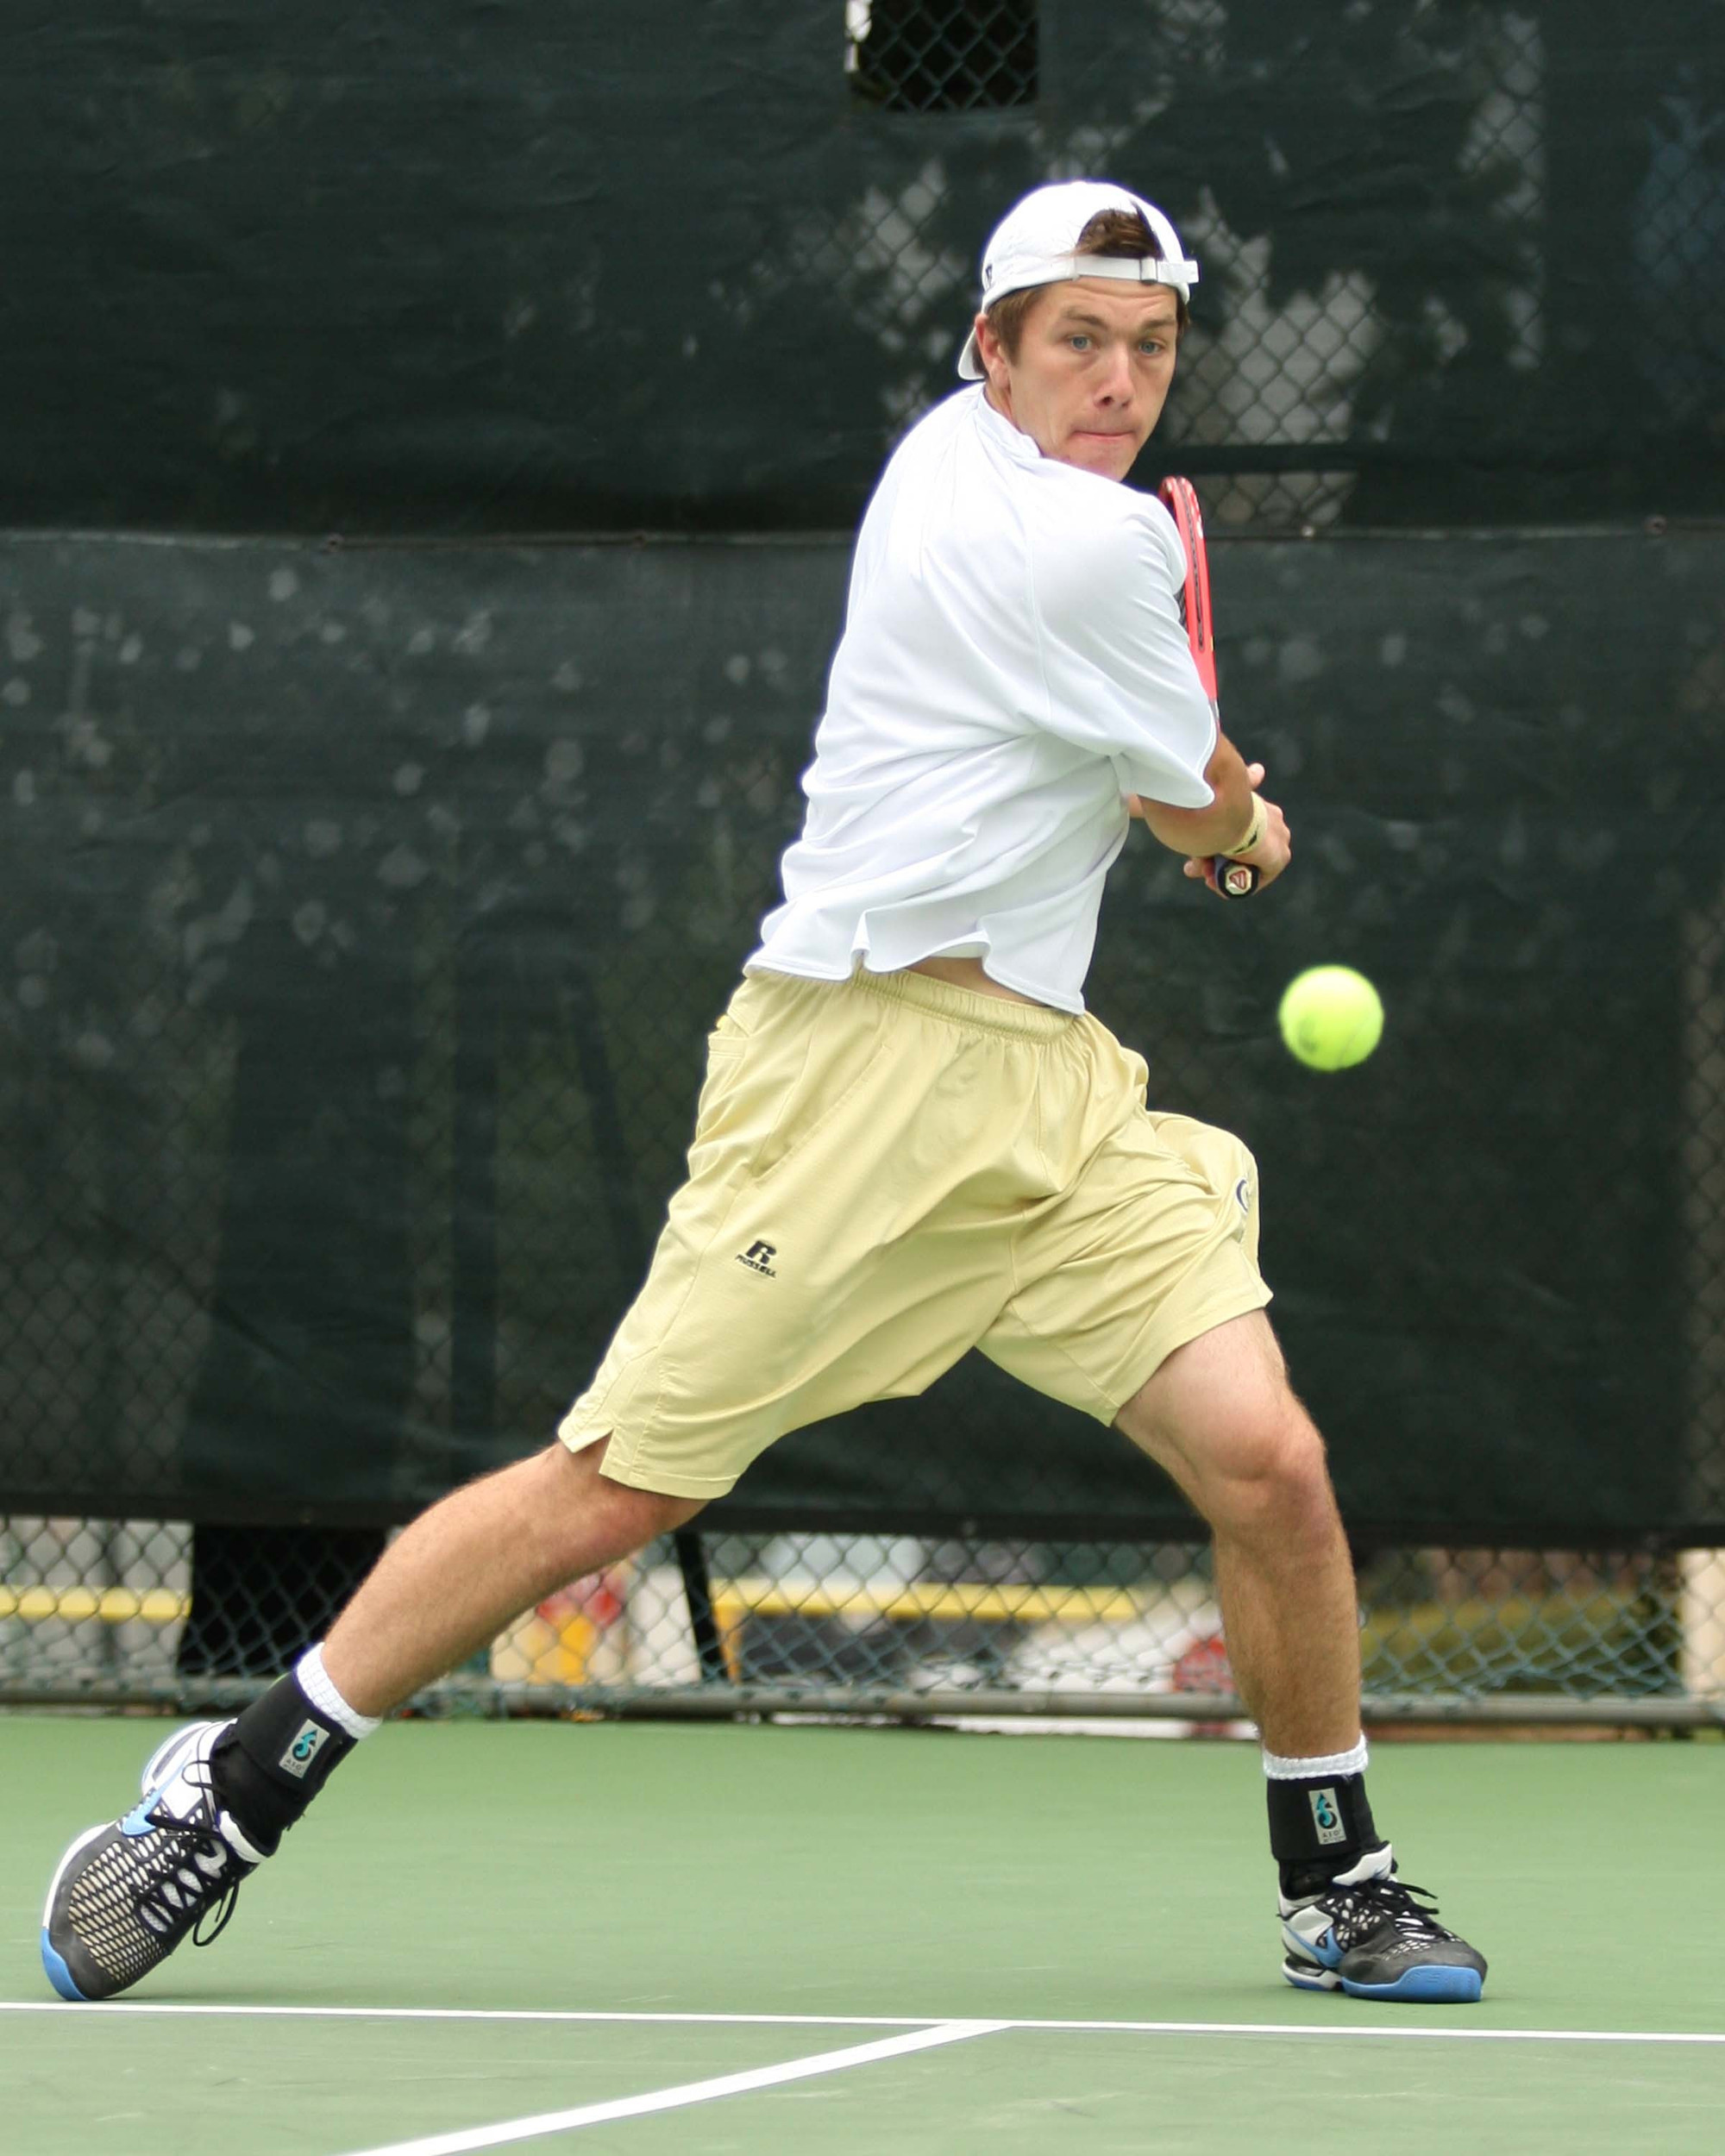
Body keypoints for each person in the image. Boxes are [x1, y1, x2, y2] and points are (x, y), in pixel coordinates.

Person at [41, 179, 1486, 2008]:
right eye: (1077, 342)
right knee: (608, 1492)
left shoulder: (944, 458)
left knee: (1267, 1460)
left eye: (1148, 345)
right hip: (851, 1078)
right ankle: (228, 1791)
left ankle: (1334, 1878)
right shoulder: (1087, 544)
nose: (1119, 380)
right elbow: (1196, 798)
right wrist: (1246, 831)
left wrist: (1181, 791)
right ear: (992, 350)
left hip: (1049, 1094)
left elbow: (1112, 756)